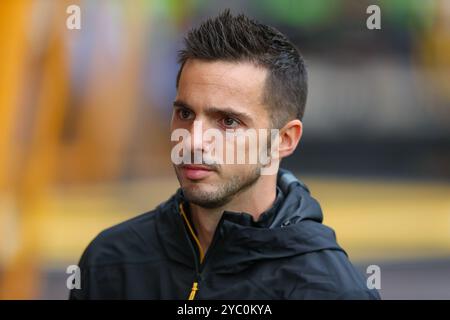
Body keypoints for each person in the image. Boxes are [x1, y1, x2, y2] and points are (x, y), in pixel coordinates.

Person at [69, 10, 380, 300]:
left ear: (284, 139)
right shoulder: (109, 263)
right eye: (185, 113)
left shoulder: (329, 290)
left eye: (228, 121)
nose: (193, 140)